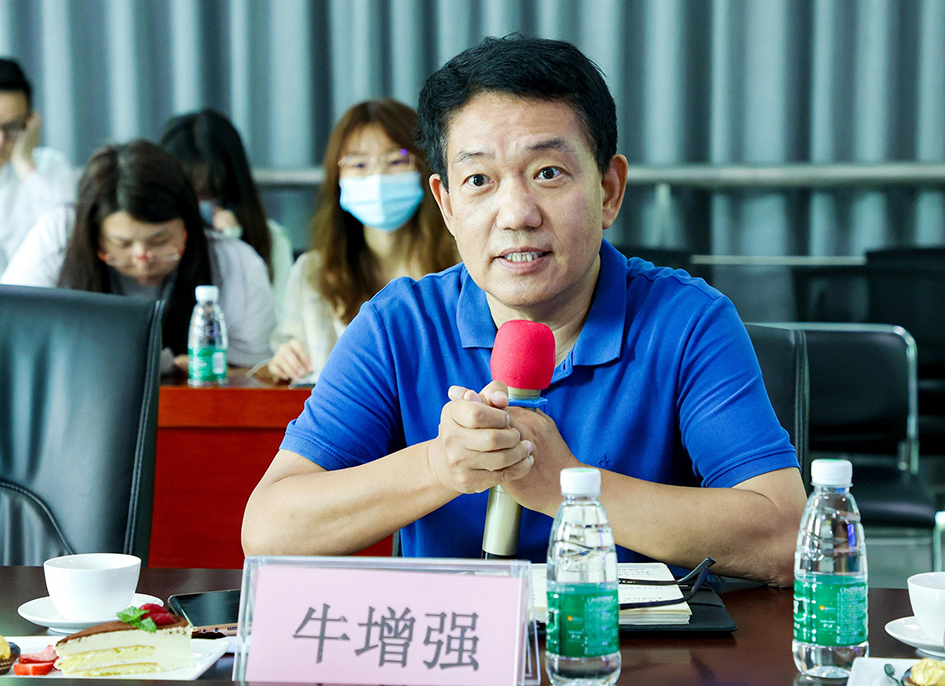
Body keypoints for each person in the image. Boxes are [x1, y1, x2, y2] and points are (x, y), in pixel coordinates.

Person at [242, 36, 807, 587]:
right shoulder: (397, 326)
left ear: (609, 190)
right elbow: (269, 531)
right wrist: (439, 466)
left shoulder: (688, 321)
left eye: (547, 173)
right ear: (446, 205)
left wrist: (566, 485)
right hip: (457, 643)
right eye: (479, 180)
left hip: (632, 643)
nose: (515, 213)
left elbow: (784, 537)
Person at [4, 140, 274, 372]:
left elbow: (256, 373)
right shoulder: (60, 236)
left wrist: (213, 373)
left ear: (188, 227)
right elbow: (11, 332)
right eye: (121, 243)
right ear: (93, 234)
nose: (143, 259)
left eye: (160, 241)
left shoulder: (235, 263)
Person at [267, 99, 457, 383]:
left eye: (396, 160)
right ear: (337, 176)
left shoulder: (461, 263)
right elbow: (285, 361)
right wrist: (283, 362)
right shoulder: (312, 273)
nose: (377, 177)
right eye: (358, 163)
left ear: (425, 169)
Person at [160, 110, 294, 320]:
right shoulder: (156, 246)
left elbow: (277, 323)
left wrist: (234, 248)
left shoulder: (272, 239)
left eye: (210, 192)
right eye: (189, 193)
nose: (199, 205)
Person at [0, 58, 74, 273]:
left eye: (13, 126)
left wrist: (23, 162)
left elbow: (66, 242)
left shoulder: (51, 167)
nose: (1, 141)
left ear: (30, 121)